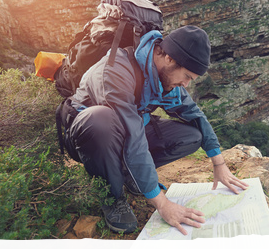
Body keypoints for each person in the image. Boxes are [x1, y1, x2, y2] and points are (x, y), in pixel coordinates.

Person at [63, 25, 249, 234]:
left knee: (191, 136)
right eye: (187, 76)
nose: (186, 84)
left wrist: (219, 162)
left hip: (128, 128)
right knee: (100, 119)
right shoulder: (116, 71)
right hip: (88, 135)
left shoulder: (166, 77)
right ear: (169, 58)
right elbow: (133, 135)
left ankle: (129, 175)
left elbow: (194, 114)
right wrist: (162, 203)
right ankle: (112, 197)